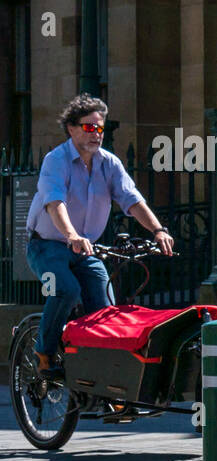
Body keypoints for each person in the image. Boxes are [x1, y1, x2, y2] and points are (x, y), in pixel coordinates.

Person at [25, 94, 175, 379]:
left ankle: (100, 376)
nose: (97, 134)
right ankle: (43, 353)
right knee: (64, 289)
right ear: (71, 128)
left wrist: (158, 230)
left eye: (100, 128)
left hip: (85, 249)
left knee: (105, 309)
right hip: (46, 247)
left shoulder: (110, 164)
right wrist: (71, 235)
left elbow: (132, 201)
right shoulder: (55, 161)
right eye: (89, 127)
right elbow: (54, 202)